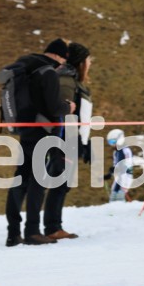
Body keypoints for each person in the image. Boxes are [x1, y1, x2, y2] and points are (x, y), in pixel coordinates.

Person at [5, 38, 76, 246]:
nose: (62, 63)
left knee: (20, 180)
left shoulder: (25, 67)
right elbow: (53, 108)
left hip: (25, 131)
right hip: (41, 133)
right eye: (63, 59)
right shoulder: (48, 72)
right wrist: (68, 107)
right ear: (56, 55)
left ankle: (13, 233)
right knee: (38, 182)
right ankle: (32, 231)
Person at [43, 42, 93, 239]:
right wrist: (60, 145)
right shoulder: (66, 80)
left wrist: (85, 142)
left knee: (63, 184)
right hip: (64, 140)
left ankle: (54, 226)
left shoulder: (72, 80)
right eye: (88, 59)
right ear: (80, 62)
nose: (89, 63)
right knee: (60, 183)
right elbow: (61, 114)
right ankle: (53, 228)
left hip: (73, 139)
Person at [105, 129, 133, 202]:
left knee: (119, 195)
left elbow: (126, 165)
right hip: (118, 178)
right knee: (113, 195)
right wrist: (109, 174)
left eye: (113, 142)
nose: (112, 144)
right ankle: (112, 210)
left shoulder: (126, 150)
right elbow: (116, 164)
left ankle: (121, 210)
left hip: (126, 177)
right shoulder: (116, 152)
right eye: (110, 142)